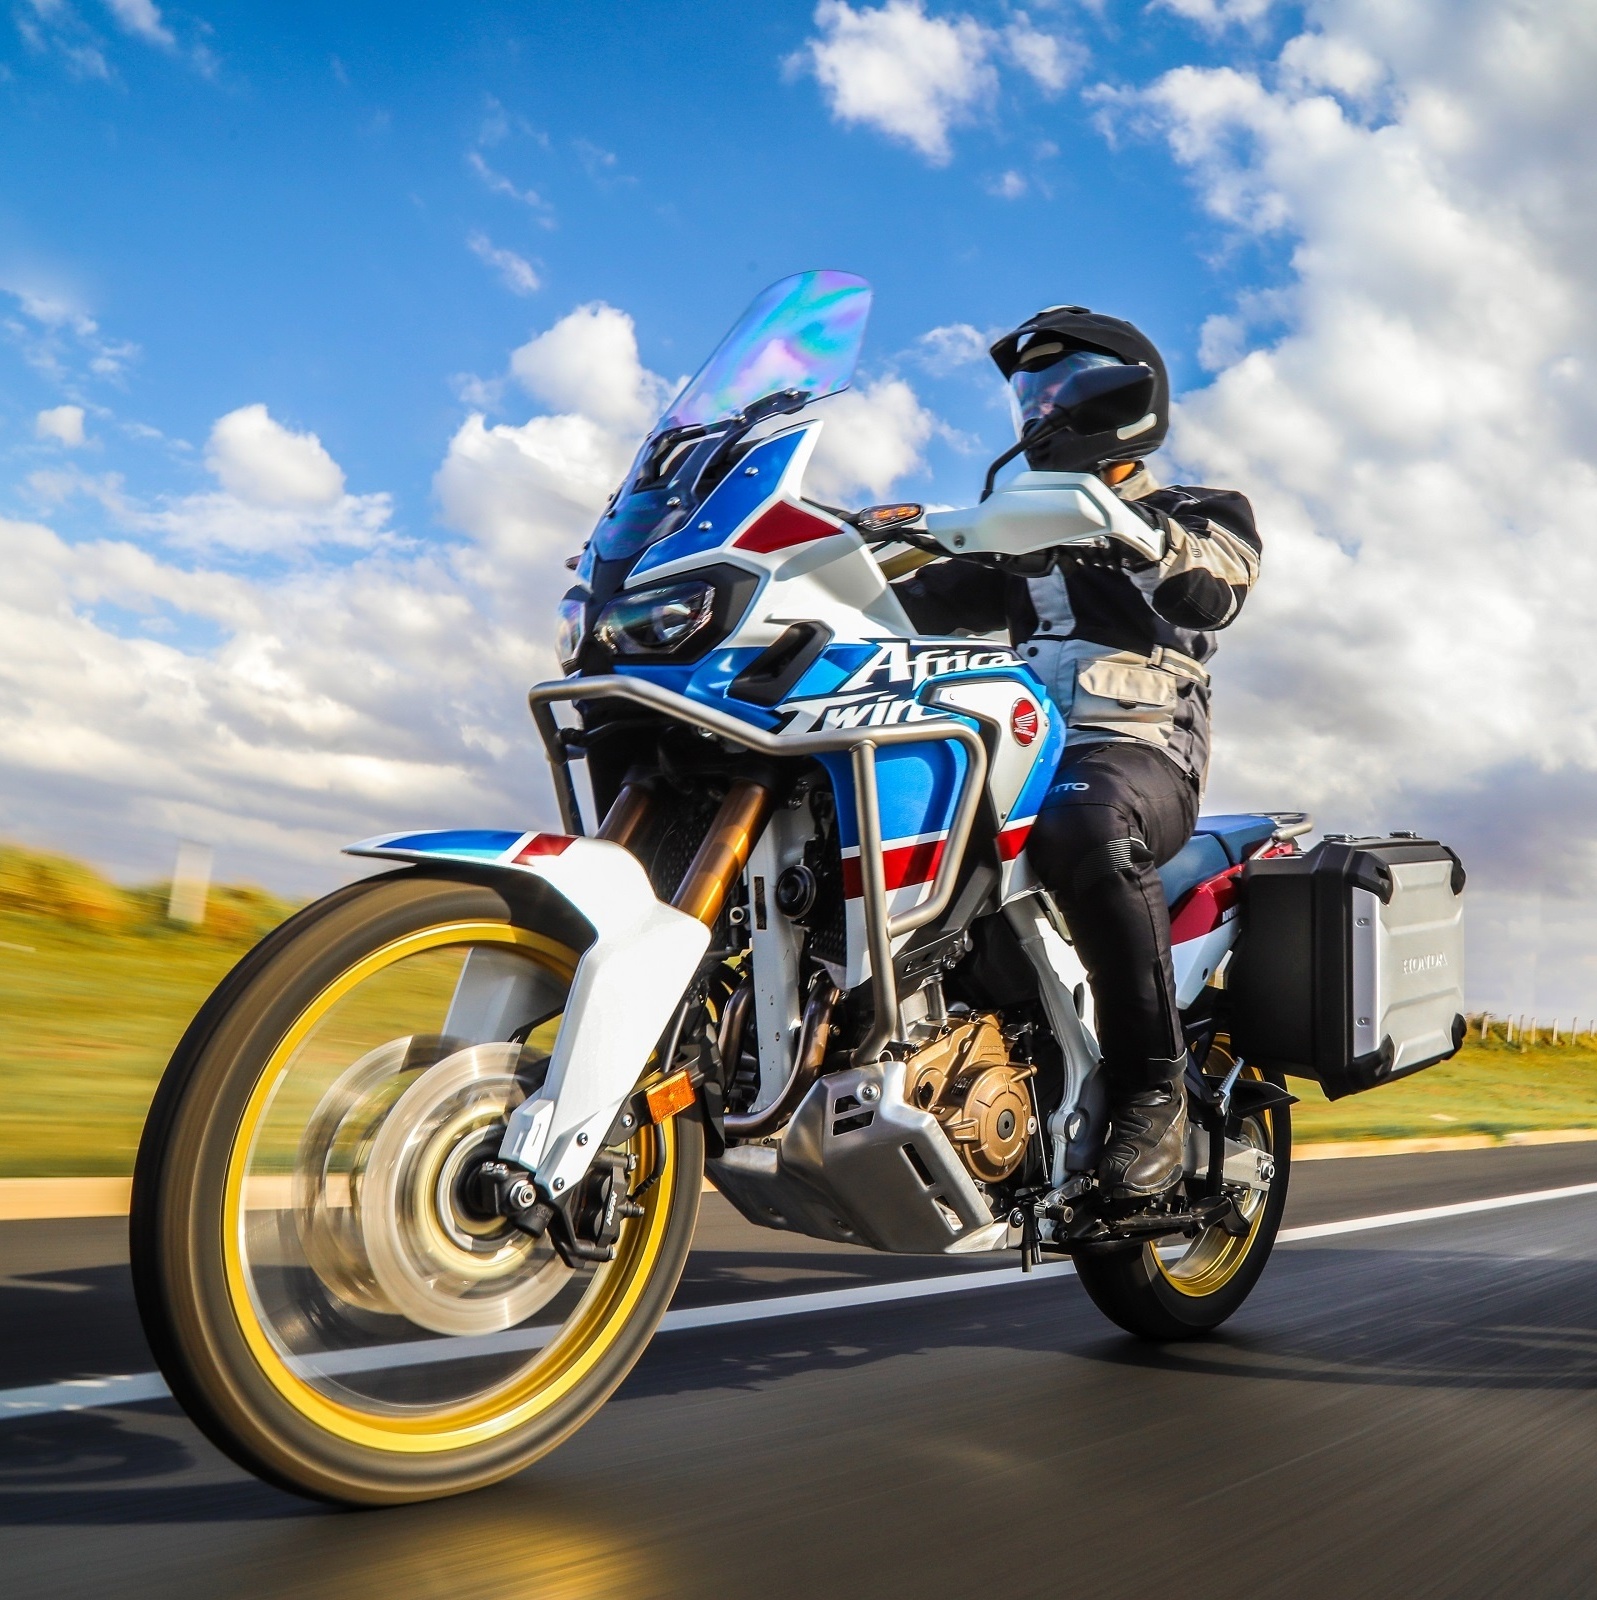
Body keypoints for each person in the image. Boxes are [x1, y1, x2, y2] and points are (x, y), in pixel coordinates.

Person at [894, 305, 1262, 1201]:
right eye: (1029, 392)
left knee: (1080, 820)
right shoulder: (1015, 538)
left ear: (1119, 396)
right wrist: (856, 552)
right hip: (1017, 752)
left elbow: (1211, 590)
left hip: (1139, 757)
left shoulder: (1197, 512)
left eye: (1057, 388)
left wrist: (1129, 532)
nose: (1036, 410)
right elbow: (906, 606)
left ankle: (1153, 1089)